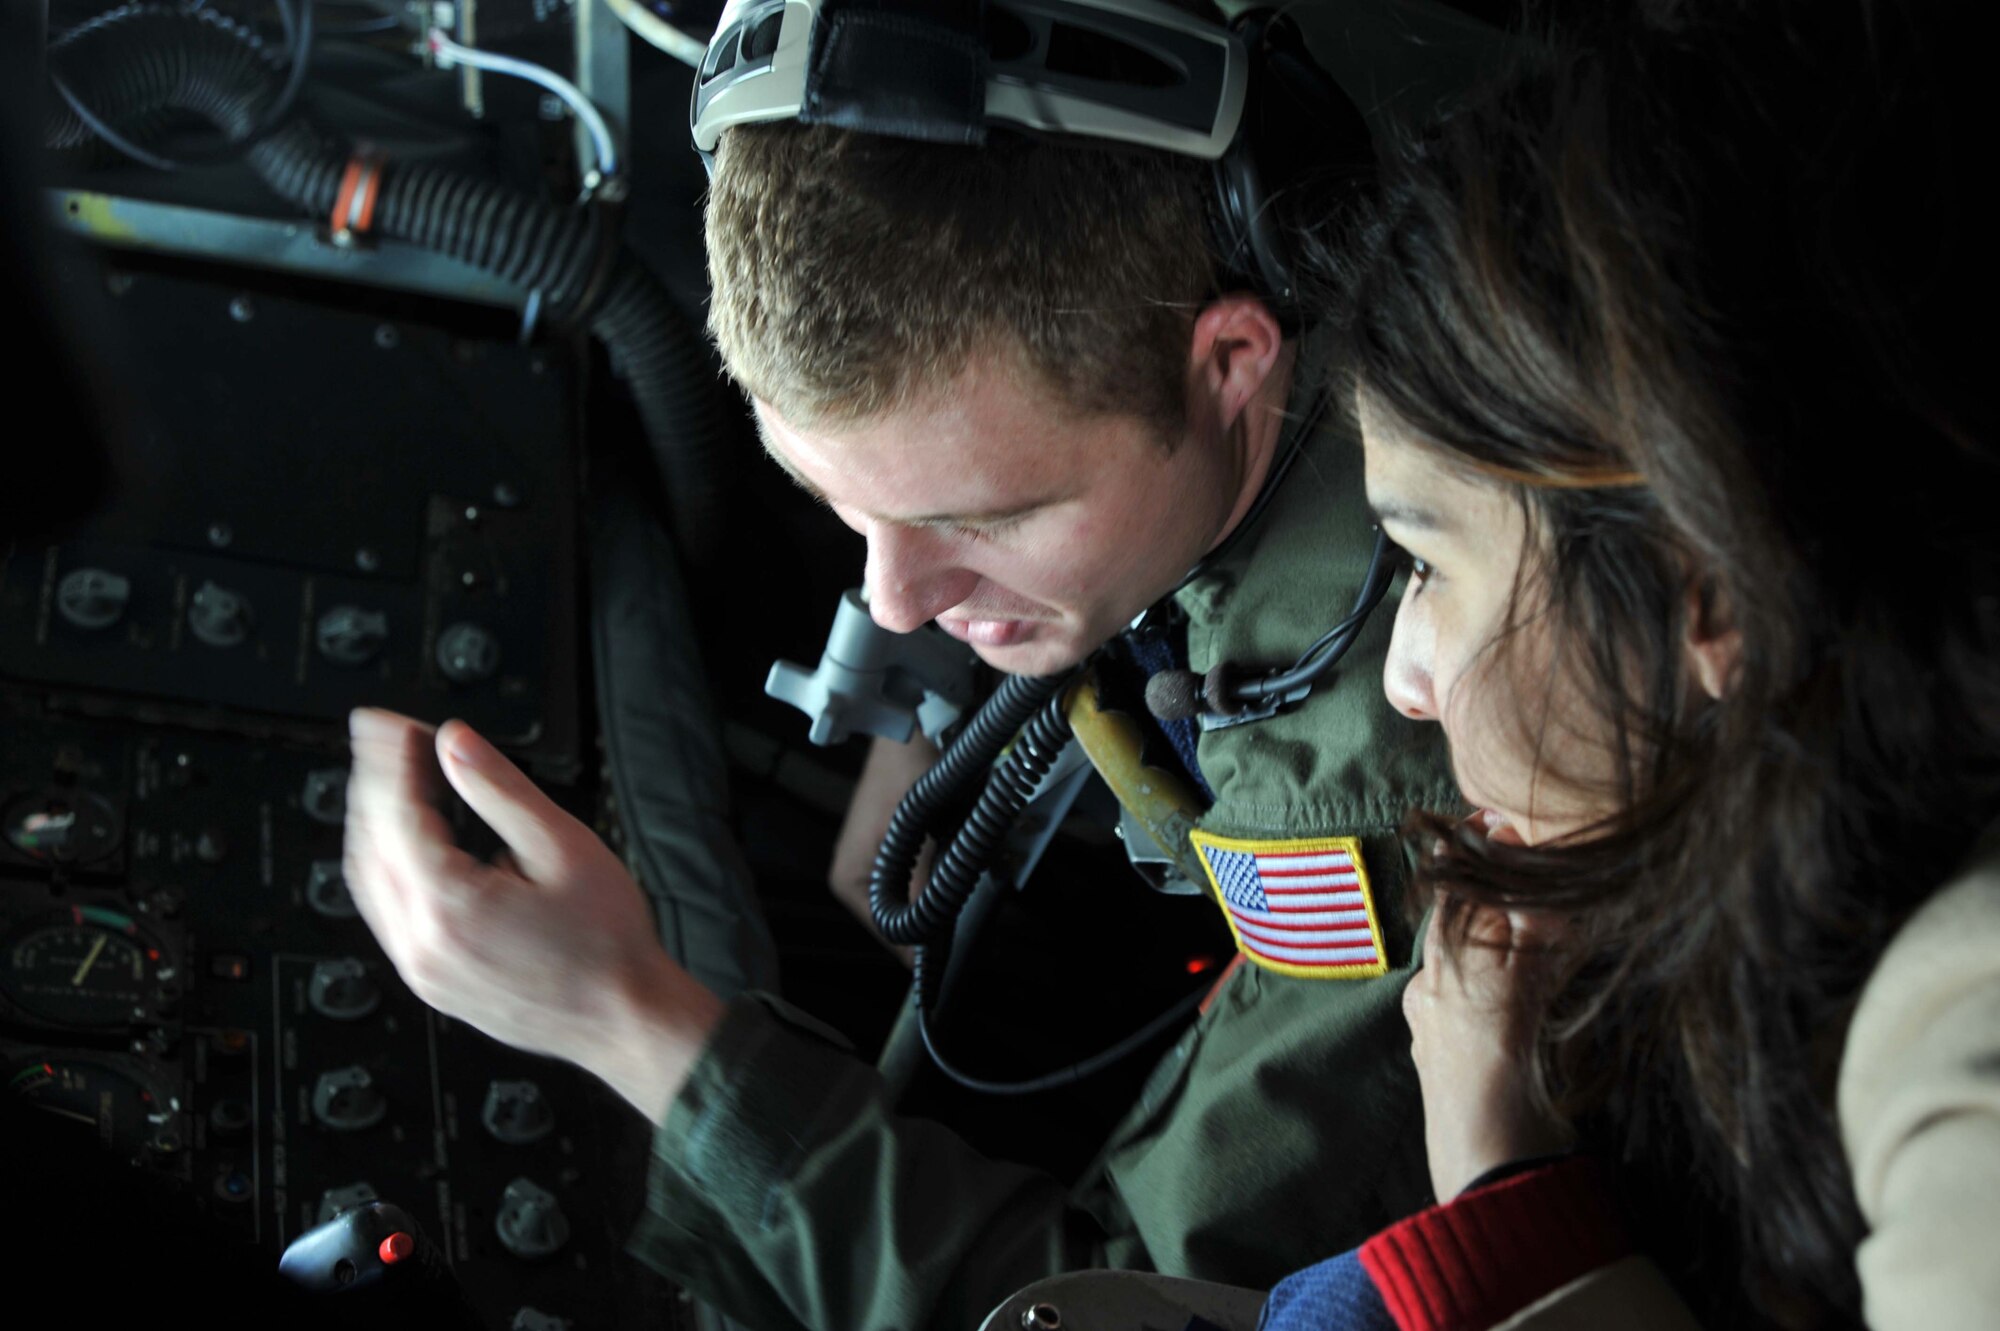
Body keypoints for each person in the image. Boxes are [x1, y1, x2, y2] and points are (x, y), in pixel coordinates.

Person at [341, 3, 1465, 1329]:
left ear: (1229, 362)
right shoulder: (1239, 120)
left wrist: (628, 1017)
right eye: (838, 502)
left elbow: (1115, 1303)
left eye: (978, 522)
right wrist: (931, 710)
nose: (898, 600)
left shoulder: (1380, 777)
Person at [1246, 4, 2000, 1328]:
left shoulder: (1965, 1031)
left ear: (1699, 581)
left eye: (1428, 562)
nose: (1406, 680)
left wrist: (1500, 1193)